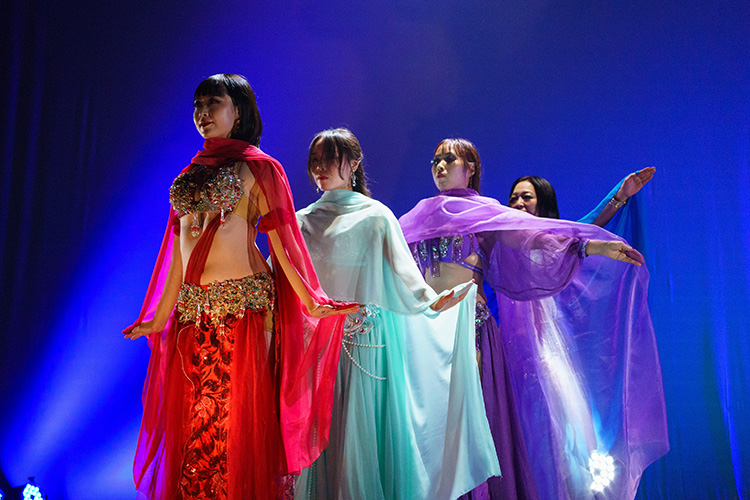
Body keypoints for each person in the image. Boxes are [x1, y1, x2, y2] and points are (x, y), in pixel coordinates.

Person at [122, 74, 357, 500]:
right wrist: (157, 317)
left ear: (239, 110)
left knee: (235, 424)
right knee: (195, 427)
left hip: (243, 312)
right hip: (193, 316)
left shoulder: (260, 167)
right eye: (197, 104)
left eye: (213, 102)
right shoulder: (191, 172)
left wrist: (311, 300)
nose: (202, 112)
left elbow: (284, 242)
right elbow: (177, 253)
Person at [399, 139, 668, 500]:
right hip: (424, 336)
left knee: (474, 428)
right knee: (427, 432)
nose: (440, 166)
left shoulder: (486, 215)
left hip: (470, 332)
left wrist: (599, 241)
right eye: (435, 160)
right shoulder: (412, 219)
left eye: (449, 159)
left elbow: (549, 238)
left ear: (471, 167)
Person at [293, 128, 500, 500]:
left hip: (365, 341)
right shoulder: (303, 220)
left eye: (330, 159)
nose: (320, 168)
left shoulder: (376, 216)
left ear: (354, 163)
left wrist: (430, 301)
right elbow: (291, 279)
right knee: (323, 435)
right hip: (318, 342)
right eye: (316, 161)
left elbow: (404, 272)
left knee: (362, 436)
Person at [508, 168, 655, 228]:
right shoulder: (500, 239)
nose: (518, 203)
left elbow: (590, 227)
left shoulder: (559, 238)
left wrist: (621, 196)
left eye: (527, 197)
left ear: (544, 202)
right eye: (513, 199)